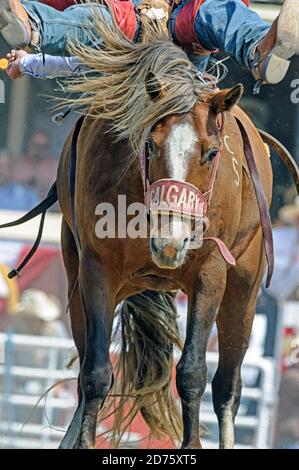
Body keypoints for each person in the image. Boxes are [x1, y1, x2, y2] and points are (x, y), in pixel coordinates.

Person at [1, 0, 299, 93]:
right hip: (128, 32)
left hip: (184, 43)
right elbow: (79, 60)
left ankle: (261, 50)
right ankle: (30, 23)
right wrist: (27, 62)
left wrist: (28, 63)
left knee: (218, 12)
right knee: (92, 19)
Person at [11, 131, 58, 196]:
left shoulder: (55, 166)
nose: (38, 149)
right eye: (35, 145)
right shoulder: (19, 163)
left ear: (48, 147)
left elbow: (55, 191)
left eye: (43, 146)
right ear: (29, 144)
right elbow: (11, 188)